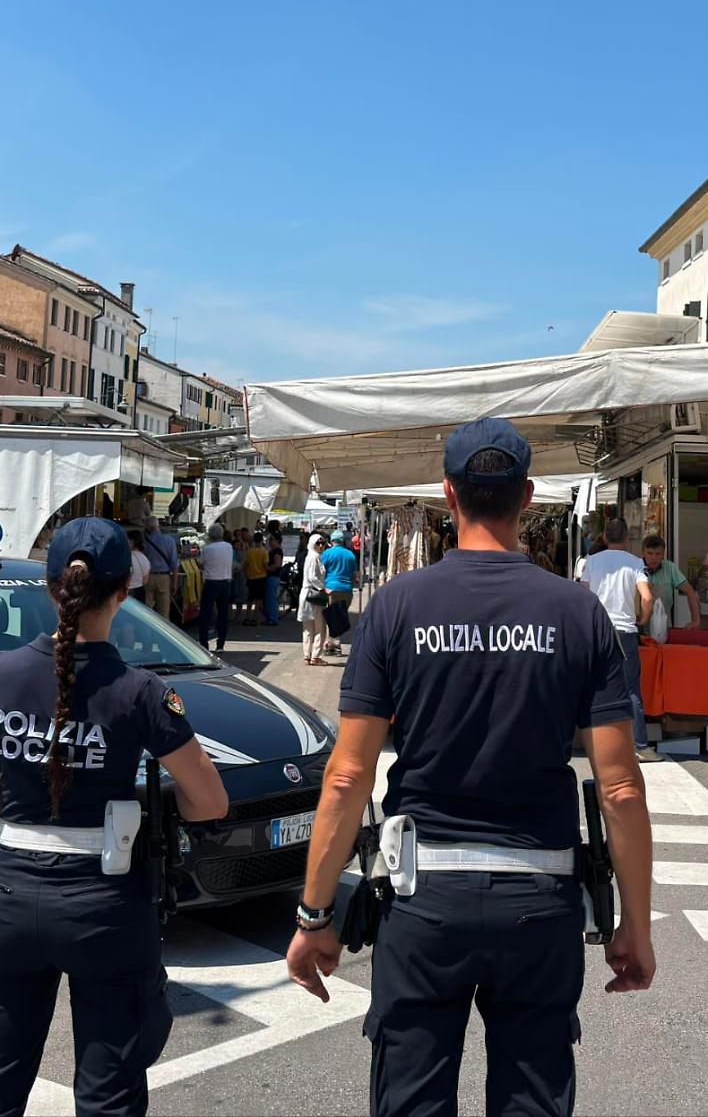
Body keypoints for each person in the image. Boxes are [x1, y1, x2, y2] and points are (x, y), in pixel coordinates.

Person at [287, 417, 654, 1117]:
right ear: (527, 497)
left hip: (425, 901)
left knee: (412, 1098)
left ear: (449, 495)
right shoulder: (576, 613)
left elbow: (348, 775)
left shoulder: (397, 606)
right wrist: (634, 923)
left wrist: (314, 913)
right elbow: (620, 788)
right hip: (540, 901)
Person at [0, 517, 228, 1117]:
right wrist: (138, 810)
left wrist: (25, 803)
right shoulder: (142, 691)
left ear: (50, 588)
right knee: (108, 1096)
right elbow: (210, 802)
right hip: (105, 902)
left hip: (8, 893)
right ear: (124, 590)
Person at [581, 518, 653, 755]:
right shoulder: (635, 562)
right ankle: (640, 745)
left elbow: (583, 595)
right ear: (626, 538)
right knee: (631, 689)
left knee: (594, 684)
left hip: (598, 630)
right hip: (625, 631)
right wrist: (643, 619)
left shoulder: (592, 560)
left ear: (604, 537)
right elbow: (647, 597)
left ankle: (595, 742)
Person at [642, 533, 701, 631]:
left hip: (664, 626)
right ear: (643, 553)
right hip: (639, 627)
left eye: (658, 554)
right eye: (650, 553)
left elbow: (690, 591)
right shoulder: (635, 568)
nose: (654, 558)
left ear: (663, 554)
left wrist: (695, 621)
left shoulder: (669, 568)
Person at [198, 522, 234, 651]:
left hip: (211, 582)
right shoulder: (228, 547)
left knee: (205, 614)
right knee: (223, 614)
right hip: (225, 582)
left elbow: (200, 563)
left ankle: (204, 643)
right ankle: (220, 644)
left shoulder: (207, 549)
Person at [322, 530, 358, 653]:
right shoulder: (350, 555)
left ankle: (334, 645)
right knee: (339, 616)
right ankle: (331, 644)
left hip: (331, 588)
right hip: (346, 589)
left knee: (332, 617)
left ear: (332, 541)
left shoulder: (327, 553)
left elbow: (321, 571)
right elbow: (355, 575)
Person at [298, 533, 329, 665]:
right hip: (314, 595)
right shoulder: (314, 557)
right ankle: (315, 656)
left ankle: (307, 655)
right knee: (319, 627)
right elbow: (312, 577)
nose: (321, 546)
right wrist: (323, 588)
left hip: (307, 595)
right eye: (318, 543)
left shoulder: (311, 556)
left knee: (308, 628)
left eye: (322, 543)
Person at [143, 518, 179, 620]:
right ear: (158, 526)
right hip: (164, 578)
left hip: (148, 577)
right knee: (163, 611)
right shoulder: (169, 540)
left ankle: (147, 628)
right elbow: (174, 563)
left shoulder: (145, 541)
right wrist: (174, 583)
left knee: (147, 609)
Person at [243, 532, 269, 626]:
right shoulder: (264, 552)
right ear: (262, 540)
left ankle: (247, 617)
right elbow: (265, 565)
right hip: (261, 577)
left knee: (250, 598)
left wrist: (246, 574)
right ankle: (255, 618)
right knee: (258, 599)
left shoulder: (249, 551)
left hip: (251, 577)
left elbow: (245, 565)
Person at [264, 530, 285, 626]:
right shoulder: (273, 550)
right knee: (269, 598)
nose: (270, 541)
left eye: (271, 539)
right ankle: (270, 617)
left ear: (277, 540)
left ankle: (273, 618)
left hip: (273, 577)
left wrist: (267, 568)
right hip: (271, 577)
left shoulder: (277, 551)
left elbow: (277, 564)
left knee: (271, 598)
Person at [127, 531, 150, 605]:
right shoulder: (145, 559)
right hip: (140, 592)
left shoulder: (127, 557)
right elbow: (145, 581)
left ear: (132, 541)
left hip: (128, 592)